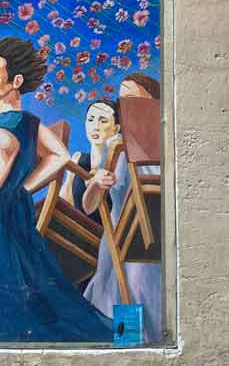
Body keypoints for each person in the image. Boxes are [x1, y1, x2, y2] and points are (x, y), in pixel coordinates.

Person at [0, 37, 112, 342]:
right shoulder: (26, 121)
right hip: (15, 229)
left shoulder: (3, 134)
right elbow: (61, 156)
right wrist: (24, 189)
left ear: (15, 81)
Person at [72, 97, 164, 343]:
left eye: (103, 120)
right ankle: (129, 343)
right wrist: (96, 182)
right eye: (91, 119)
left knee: (143, 287)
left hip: (147, 226)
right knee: (121, 289)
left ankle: (143, 343)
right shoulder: (111, 152)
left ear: (117, 126)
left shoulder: (138, 149)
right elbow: (89, 204)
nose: (96, 125)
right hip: (119, 232)